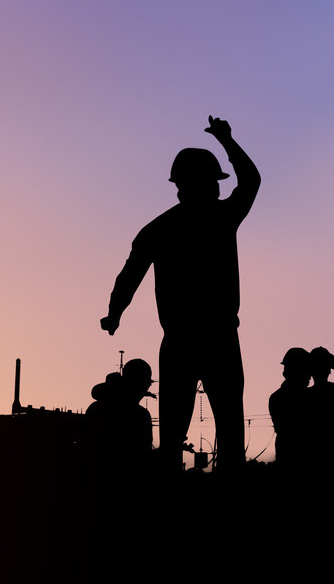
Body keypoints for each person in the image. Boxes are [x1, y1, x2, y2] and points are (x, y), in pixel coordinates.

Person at [101, 116, 261, 467]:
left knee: (175, 434)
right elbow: (251, 180)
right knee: (226, 432)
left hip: (182, 343)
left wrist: (115, 313)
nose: (219, 189)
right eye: (214, 182)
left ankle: (170, 492)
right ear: (194, 185)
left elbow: (129, 277)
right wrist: (227, 141)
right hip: (216, 340)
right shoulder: (220, 218)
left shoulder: (160, 229)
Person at [87, 359, 157, 468]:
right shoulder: (140, 416)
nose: (147, 387)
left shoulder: (96, 407)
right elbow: (140, 458)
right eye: (146, 383)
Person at [269, 348, 315, 465]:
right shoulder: (307, 398)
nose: (310, 375)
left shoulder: (276, 397)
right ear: (297, 372)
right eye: (307, 370)